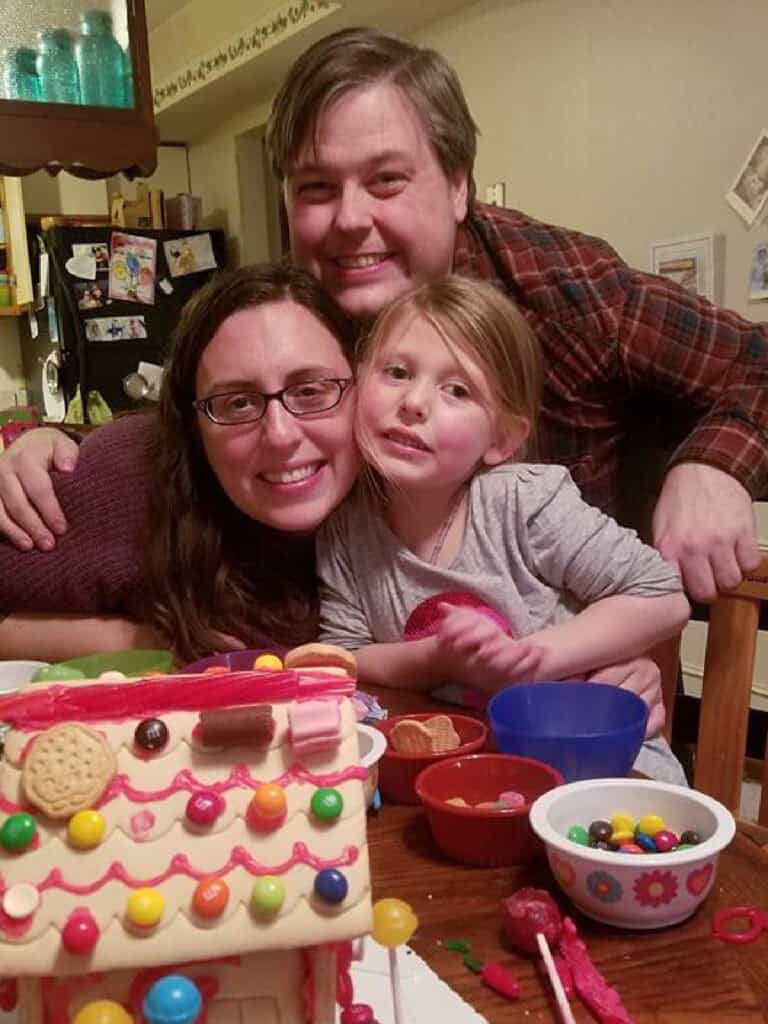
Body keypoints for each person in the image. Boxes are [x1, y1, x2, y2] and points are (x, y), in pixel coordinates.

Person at [0, 28, 765, 605]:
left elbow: (755, 361)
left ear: (459, 184)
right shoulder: (302, 310)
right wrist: (54, 444)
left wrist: (711, 465)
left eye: (387, 179)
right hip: (370, 681)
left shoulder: (567, 290)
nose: (348, 221)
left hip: (568, 685)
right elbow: (204, 417)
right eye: (316, 188)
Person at [317, 277, 689, 777]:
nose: (415, 402)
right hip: (474, 771)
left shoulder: (523, 501)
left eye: (457, 390)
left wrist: (531, 659)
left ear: (502, 438)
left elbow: (663, 595)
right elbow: (347, 659)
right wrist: (441, 657)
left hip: (601, 763)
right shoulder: (344, 532)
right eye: (398, 372)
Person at [0, 263, 359, 664]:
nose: (280, 434)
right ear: (193, 424)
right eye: (237, 402)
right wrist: (152, 641)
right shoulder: (130, 479)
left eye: (311, 390)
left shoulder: (413, 482)